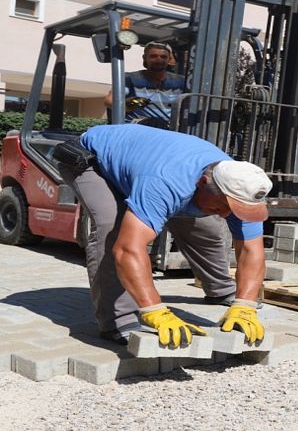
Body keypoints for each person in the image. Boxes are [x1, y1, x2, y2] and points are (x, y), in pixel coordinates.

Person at [57, 124, 270, 347]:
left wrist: (245, 304)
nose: (226, 214)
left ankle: (220, 290)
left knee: (206, 227)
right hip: (91, 160)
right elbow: (128, 249)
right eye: (222, 206)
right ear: (202, 183)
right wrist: (155, 310)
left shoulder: (240, 185)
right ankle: (118, 321)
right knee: (114, 228)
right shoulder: (167, 182)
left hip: (150, 165)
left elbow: (251, 249)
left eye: (233, 209)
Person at [104, 41, 186, 124]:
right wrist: (130, 104)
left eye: (163, 57)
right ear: (144, 58)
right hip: (137, 128)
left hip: (165, 130)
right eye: (153, 56)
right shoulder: (129, 78)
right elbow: (109, 101)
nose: (159, 60)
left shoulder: (180, 81)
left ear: (169, 59)